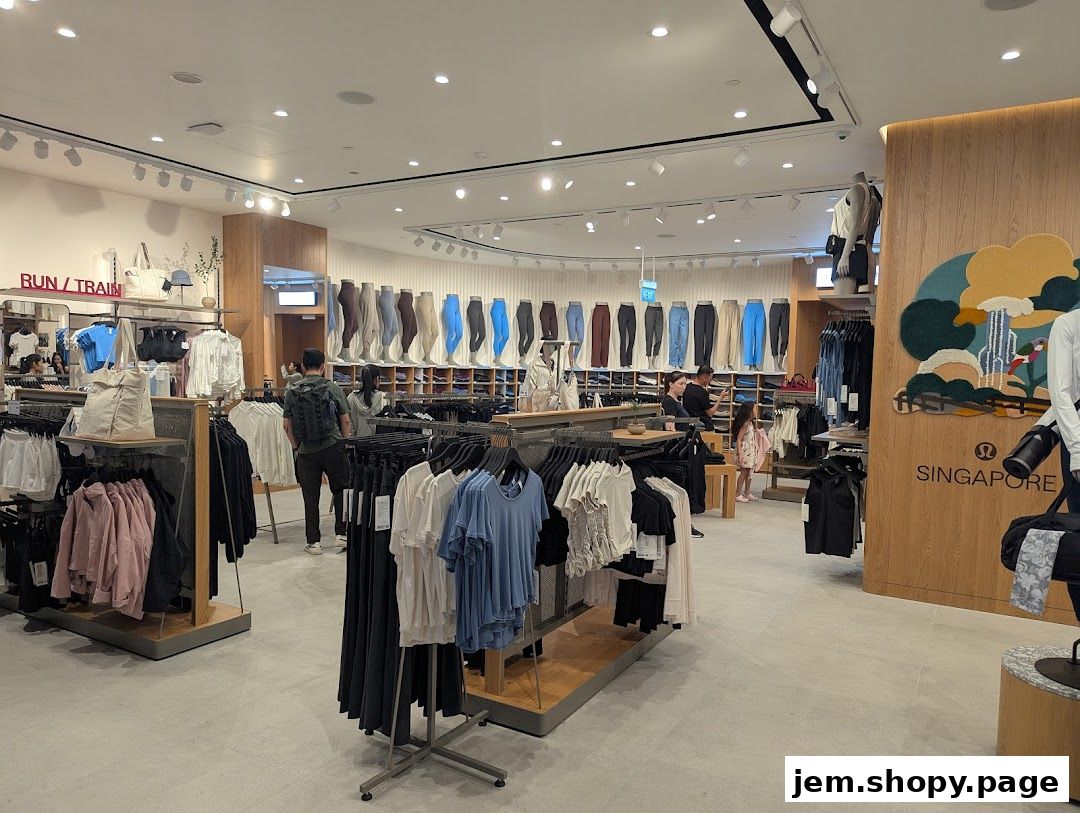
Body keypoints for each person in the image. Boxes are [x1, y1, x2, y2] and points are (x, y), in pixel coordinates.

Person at [283, 348, 352, 555]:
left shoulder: (292, 392)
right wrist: (345, 443)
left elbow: (286, 425)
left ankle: (314, 543)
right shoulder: (332, 388)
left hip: (306, 451)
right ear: (323, 367)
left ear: (303, 367)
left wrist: (297, 447)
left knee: (310, 496)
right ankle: (341, 535)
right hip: (333, 446)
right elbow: (345, 420)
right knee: (340, 490)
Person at [731, 402, 760, 503]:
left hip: (751, 451)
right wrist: (740, 454)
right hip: (744, 450)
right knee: (743, 473)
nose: (756, 411)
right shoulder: (745, 424)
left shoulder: (751, 423)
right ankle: (737, 494)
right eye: (755, 409)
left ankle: (747, 492)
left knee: (750, 473)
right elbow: (739, 439)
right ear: (749, 411)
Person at [347, 364, 387, 438]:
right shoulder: (382, 397)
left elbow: (349, 424)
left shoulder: (351, 397)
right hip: (377, 442)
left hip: (357, 442)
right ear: (377, 379)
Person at [682, 365, 723, 431]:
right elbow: (710, 413)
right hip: (703, 425)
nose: (709, 381)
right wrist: (721, 397)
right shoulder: (702, 392)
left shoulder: (686, 388)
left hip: (690, 425)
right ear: (703, 378)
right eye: (709, 379)